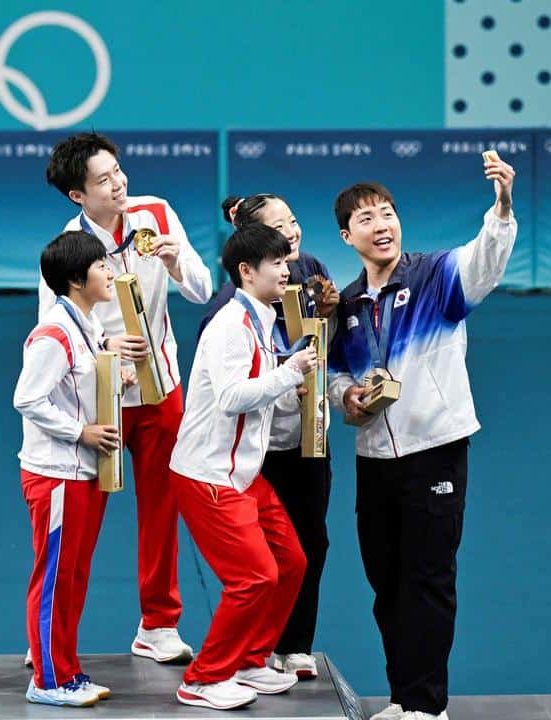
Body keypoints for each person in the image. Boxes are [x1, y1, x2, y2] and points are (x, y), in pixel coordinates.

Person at [327, 154, 517, 720]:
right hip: (374, 457)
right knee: (386, 583)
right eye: (367, 219)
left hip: (435, 448)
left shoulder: (435, 276)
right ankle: (403, 699)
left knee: (429, 579)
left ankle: (427, 707)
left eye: (388, 214)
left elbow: (486, 259)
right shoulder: (350, 303)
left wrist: (502, 206)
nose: (382, 225)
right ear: (347, 235)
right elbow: (336, 371)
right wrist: (346, 397)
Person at [41, 132, 212, 662]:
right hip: (100, 399)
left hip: (161, 390)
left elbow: (202, 291)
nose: (119, 185)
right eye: (103, 180)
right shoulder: (67, 248)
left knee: (162, 509)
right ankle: (53, 633)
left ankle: (158, 625)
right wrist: (104, 344)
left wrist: (177, 257)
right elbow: (51, 327)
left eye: (118, 171)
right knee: (80, 518)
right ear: (78, 196)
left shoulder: (156, 214)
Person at [168, 222, 315, 710]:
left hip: (244, 474)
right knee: (253, 578)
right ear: (247, 272)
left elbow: (260, 394)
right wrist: (288, 372)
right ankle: (204, 678)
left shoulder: (263, 318)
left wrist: (286, 381)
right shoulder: (231, 325)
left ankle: (252, 660)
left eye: (285, 260)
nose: (286, 268)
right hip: (208, 475)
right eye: (275, 263)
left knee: (290, 563)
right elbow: (232, 398)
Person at [197, 193, 340, 680]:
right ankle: (249, 652)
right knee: (259, 560)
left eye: (295, 222)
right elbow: (229, 388)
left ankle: (294, 645)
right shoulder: (226, 313)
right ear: (250, 258)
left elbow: (325, 348)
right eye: (279, 230)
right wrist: (287, 372)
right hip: (257, 449)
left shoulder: (313, 271)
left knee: (310, 544)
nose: (293, 234)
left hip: (309, 436)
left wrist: (332, 317)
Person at [14, 230, 136, 707]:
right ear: (74, 279)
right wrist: (79, 432)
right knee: (54, 576)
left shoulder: (87, 325)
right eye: (101, 266)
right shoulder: (54, 332)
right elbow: (26, 397)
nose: (110, 273)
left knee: (74, 574)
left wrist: (118, 381)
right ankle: (45, 678)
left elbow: (80, 391)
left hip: (85, 472)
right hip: (56, 472)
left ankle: (66, 669)